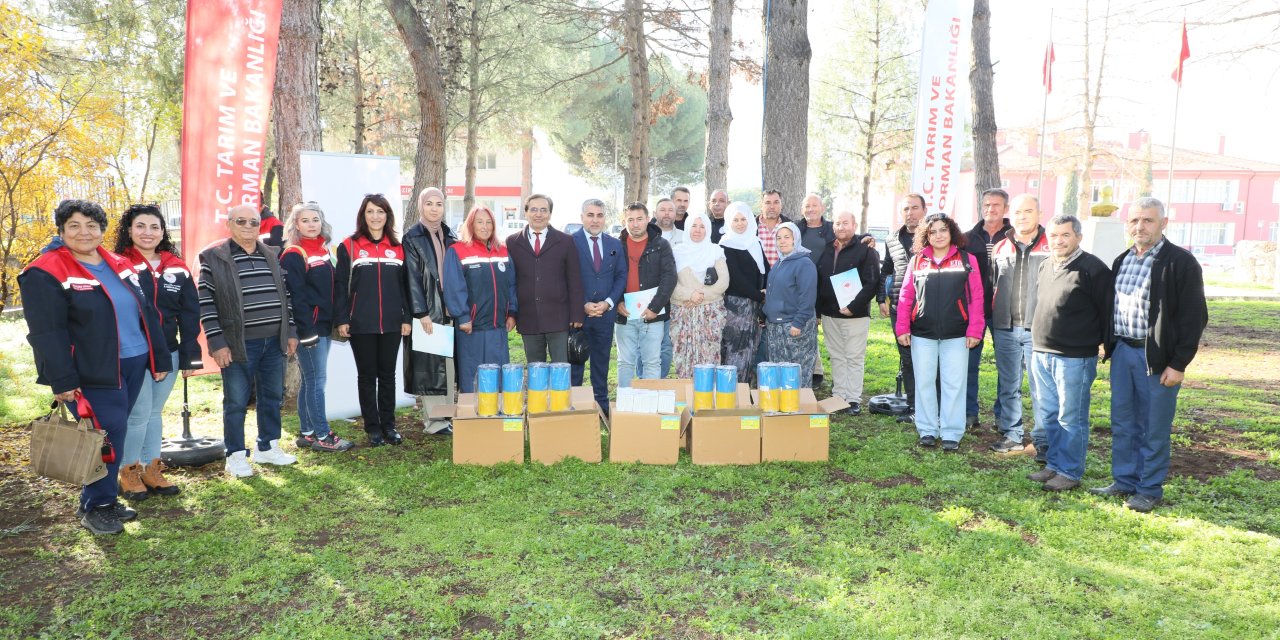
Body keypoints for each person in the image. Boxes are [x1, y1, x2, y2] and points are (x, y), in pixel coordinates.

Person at [20, 199, 172, 534]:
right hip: (91, 371)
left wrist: (158, 358)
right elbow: (47, 332)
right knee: (107, 438)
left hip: (133, 362)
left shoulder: (118, 262)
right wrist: (62, 379)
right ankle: (97, 506)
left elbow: (147, 311)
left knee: (111, 435)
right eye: (74, 225)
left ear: (103, 230)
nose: (84, 232)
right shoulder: (46, 271)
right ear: (61, 230)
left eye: (92, 225)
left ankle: (102, 498)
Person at [1090, 197, 1207, 513]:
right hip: (1123, 353)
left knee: (1153, 426)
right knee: (1123, 422)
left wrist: (1179, 363)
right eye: (1134, 221)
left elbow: (1194, 317)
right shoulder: (1122, 260)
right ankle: (1124, 480)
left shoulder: (1180, 263)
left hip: (1156, 359)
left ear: (1164, 223)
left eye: (1148, 220)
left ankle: (1149, 489)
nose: (1139, 227)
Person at [199, 203, 299, 478]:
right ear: (229, 224)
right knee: (236, 401)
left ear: (259, 226)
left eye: (253, 222)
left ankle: (267, 447)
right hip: (237, 344)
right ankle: (235, 455)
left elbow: (284, 297)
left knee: (271, 397)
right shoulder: (213, 257)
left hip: (273, 342)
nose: (247, 227)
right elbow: (206, 304)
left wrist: (290, 331)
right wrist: (217, 342)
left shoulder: (271, 253)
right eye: (240, 221)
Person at [113, 204, 202, 501]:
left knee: (153, 412)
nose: (148, 233)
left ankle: (152, 469)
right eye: (140, 226)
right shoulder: (117, 264)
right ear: (129, 230)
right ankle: (127, 471)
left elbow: (191, 314)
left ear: (163, 231)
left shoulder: (176, 265)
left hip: (171, 353)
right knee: (137, 413)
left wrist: (191, 355)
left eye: (154, 227)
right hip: (134, 354)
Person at [1025, 215, 1112, 492]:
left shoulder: (1092, 269)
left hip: (1074, 357)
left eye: (1065, 235)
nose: (1058, 241)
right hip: (1041, 352)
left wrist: (1099, 345)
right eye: (1054, 235)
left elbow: (1106, 312)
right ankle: (1054, 463)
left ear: (1078, 237)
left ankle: (1070, 471)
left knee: (1070, 417)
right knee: (1049, 414)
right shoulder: (1045, 265)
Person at [895, 213, 983, 452]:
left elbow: (976, 297)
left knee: (954, 383)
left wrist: (975, 329)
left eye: (943, 230)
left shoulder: (967, 260)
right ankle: (927, 429)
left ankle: (951, 432)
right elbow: (905, 297)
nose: (938, 235)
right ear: (926, 235)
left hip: (957, 334)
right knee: (924, 382)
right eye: (933, 231)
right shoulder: (917, 261)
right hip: (922, 333)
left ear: (951, 231)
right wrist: (902, 327)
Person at [335, 194, 412, 447]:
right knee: (367, 376)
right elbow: (340, 286)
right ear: (363, 215)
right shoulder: (349, 246)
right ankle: (373, 428)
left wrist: (406, 317)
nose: (375, 216)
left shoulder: (399, 247)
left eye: (380, 211)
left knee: (388, 376)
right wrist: (342, 318)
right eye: (370, 211)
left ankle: (389, 426)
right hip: (361, 323)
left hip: (392, 322)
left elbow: (405, 287)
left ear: (387, 215)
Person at [280, 202, 354, 453]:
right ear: (295, 225)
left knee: (310, 380)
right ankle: (324, 436)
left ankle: (307, 432)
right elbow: (296, 297)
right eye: (305, 220)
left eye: (315, 219)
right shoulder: (293, 253)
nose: (312, 224)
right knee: (317, 381)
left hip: (324, 325)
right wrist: (306, 330)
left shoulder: (325, 250)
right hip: (309, 328)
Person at [989, 194, 1051, 456]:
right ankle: (1012, 434)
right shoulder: (1000, 247)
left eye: (1028, 211)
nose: (1022, 217)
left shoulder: (1052, 245)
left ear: (1039, 213)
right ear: (1009, 215)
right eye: (1017, 212)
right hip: (1005, 327)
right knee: (1008, 385)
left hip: (1038, 329)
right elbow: (994, 283)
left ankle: (1042, 439)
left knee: (1041, 387)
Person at [443, 206, 518, 392]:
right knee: (473, 378)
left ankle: (496, 418)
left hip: (498, 327)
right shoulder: (458, 251)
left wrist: (512, 312)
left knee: (497, 377)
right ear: (471, 224)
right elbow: (454, 287)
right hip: (471, 327)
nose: (485, 226)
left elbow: (511, 285)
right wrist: (463, 317)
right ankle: (472, 418)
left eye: (489, 222)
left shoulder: (503, 251)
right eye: (479, 222)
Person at [403, 187, 458, 435]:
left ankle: (446, 418)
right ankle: (434, 422)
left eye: (439, 204)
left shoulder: (450, 235)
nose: (434, 208)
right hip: (429, 312)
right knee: (432, 370)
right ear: (420, 206)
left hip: (449, 311)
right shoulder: (412, 237)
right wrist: (421, 312)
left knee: (447, 368)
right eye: (429, 204)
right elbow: (412, 279)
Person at [816, 211, 882, 415]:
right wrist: (818, 311)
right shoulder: (827, 249)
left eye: (846, 223)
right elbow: (819, 281)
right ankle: (839, 396)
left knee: (853, 357)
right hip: (829, 313)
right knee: (836, 356)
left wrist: (853, 306)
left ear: (854, 226)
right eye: (837, 223)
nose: (841, 227)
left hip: (856, 314)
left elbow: (872, 283)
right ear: (833, 226)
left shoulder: (865, 250)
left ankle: (853, 399)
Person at [506, 193, 585, 363]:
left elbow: (575, 281)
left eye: (544, 210)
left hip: (558, 317)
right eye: (534, 209)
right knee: (536, 371)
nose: (538, 214)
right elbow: (510, 282)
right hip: (528, 318)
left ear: (550, 214)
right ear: (526, 212)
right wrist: (511, 312)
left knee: (560, 368)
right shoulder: (512, 242)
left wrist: (577, 314)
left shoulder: (565, 241)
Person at [964, 188, 1014, 431]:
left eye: (996, 205)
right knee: (968, 364)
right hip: (973, 311)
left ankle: (1003, 416)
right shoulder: (966, 238)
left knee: (1007, 367)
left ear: (1005, 209)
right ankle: (968, 413)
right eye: (986, 205)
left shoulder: (1016, 237)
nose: (990, 209)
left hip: (1006, 311)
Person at [571, 199, 627, 413]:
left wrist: (609, 302)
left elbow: (621, 275)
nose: (595, 220)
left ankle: (601, 407)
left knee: (601, 363)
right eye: (590, 215)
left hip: (605, 315)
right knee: (575, 362)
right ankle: (574, 407)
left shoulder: (615, 245)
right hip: (578, 314)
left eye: (599, 215)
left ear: (605, 218)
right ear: (582, 217)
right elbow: (566, 277)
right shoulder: (570, 242)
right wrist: (582, 304)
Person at [614, 202, 676, 387]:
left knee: (651, 362)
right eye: (630, 220)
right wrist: (617, 302)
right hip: (625, 314)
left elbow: (670, 277)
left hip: (653, 314)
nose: (635, 224)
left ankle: (650, 408)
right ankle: (624, 407)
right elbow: (610, 278)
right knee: (625, 362)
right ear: (624, 221)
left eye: (639, 219)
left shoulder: (661, 245)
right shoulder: (617, 245)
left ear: (648, 219)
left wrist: (655, 307)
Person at [882, 194, 926, 422]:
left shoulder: (935, 237)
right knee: (907, 358)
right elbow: (887, 269)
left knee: (929, 360)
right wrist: (882, 297)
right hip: (900, 309)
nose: (910, 212)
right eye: (906, 209)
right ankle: (913, 406)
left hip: (929, 308)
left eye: (915, 208)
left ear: (924, 210)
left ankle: (931, 406)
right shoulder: (892, 239)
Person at [670, 213, 730, 377]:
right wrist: (689, 295)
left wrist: (699, 297)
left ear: (708, 229)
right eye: (694, 226)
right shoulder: (676, 252)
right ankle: (687, 397)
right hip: (683, 314)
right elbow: (670, 283)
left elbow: (723, 282)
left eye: (702, 226)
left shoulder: (715, 250)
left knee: (709, 356)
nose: (698, 230)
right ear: (688, 228)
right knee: (684, 357)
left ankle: (708, 396)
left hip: (710, 314)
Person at [762, 222, 818, 387]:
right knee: (778, 372)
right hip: (776, 327)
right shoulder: (780, 262)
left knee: (796, 372)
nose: (782, 241)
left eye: (787, 237)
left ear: (796, 239)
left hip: (794, 327)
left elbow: (807, 296)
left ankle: (800, 407)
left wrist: (798, 322)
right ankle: (782, 408)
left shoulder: (804, 263)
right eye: (779, 238)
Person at [718, 202, 769, 383]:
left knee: (750, 349)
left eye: (743, 219)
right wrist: (761, 296)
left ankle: (743, 390)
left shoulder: (755, 242)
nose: (740, 223)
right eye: (735, 220)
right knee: (735, 349)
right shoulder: (726, 245)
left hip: (754, 307)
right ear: (728, 222)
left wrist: (766, 292)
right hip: (736, 307)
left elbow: (765, 270)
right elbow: (736, 279)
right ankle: (731, 392)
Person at [757, 189, 790, 267]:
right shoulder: (751, 227)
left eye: (776, 202)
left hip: (782, 277)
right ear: (761, 205)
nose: (772, 207)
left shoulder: (790, 227)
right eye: (768, 203)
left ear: (781, 205)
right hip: (757, 278)